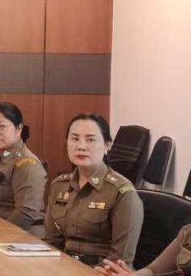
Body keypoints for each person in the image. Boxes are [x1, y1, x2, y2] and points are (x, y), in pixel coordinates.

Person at [45, 114, 143, 266]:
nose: (81, 146)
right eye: (75, 139)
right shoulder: (59, 185)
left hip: (103, 274)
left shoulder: (123, 193)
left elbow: (120, 260)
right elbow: (51, 242)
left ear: (107, 145)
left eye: (90, 140)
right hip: (64, 268)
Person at [0, 101, 46, 230]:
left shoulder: (27, 164)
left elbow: (25, 213)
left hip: (19, 234)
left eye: (2, 127)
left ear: (19, 129)